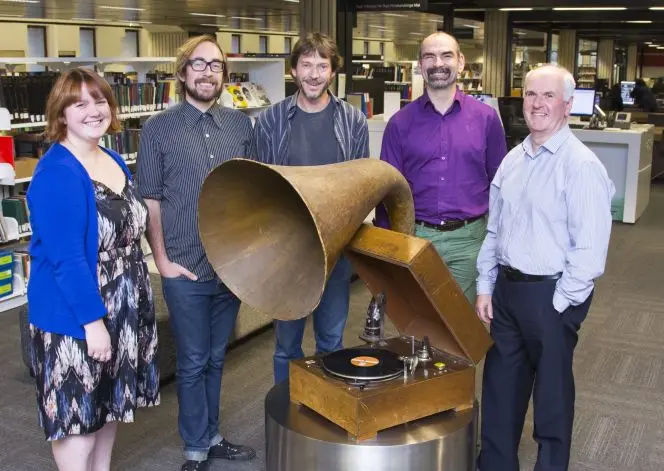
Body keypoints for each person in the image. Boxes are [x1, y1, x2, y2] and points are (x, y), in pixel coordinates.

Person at [475, 64, 615, 471]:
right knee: (501, 392)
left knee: (551, 400)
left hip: (551, 296)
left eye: (548, 96)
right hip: (507, 291)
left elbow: (590, 252)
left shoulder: (581, 166)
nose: (537, 103)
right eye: (531, 94)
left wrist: (558, 305)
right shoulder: (513, 160)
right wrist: (486, 286)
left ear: (568, 105)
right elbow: (494, 232)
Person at [26, 67, 160, 471]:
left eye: (99, 100)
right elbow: (66, 258)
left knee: (108, 409)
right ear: (61, 114)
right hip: (78, 315)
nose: (93, 111)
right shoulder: (57, 172)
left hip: (124, 305)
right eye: (79, 103)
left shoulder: (112, 157)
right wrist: (92, 323)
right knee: (78, 421)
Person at [136, 35, 256, 471]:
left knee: (216, 357)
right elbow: (150, 201)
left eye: (217, 65)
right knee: (191, 360)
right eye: (199, 64)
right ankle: (195, 446)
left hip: (230, 267)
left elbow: (252, 192)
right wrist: (162, 261)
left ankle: (212, 434)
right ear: (183, 71)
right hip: (183, 264)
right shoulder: (157, 129)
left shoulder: (242, 127)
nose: (208, 72)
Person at [253, 32, 369, 384]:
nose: (314, 74)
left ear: (333, 71)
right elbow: (260, 185)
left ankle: (325, 416)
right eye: (306, 65)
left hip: (336, 250)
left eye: (322, 65)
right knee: (286, 345)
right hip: (287, 252)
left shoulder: (353, 120)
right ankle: (287, 415)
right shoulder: (271, 120)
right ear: (293, 70)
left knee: (330, 341)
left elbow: (360, 185)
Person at [374, 31, 507, 305]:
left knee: (464, 330)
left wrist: (499, 246)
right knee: (418, 328)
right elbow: (387, 192)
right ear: (420, 65)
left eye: (446, 55)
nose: (438, 63)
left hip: (469, 242)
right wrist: (389, 250)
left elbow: (500, 185)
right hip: (415, 238)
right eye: (429, 56)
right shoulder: (400, 124)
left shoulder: (486, 119)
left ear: (460, 63)